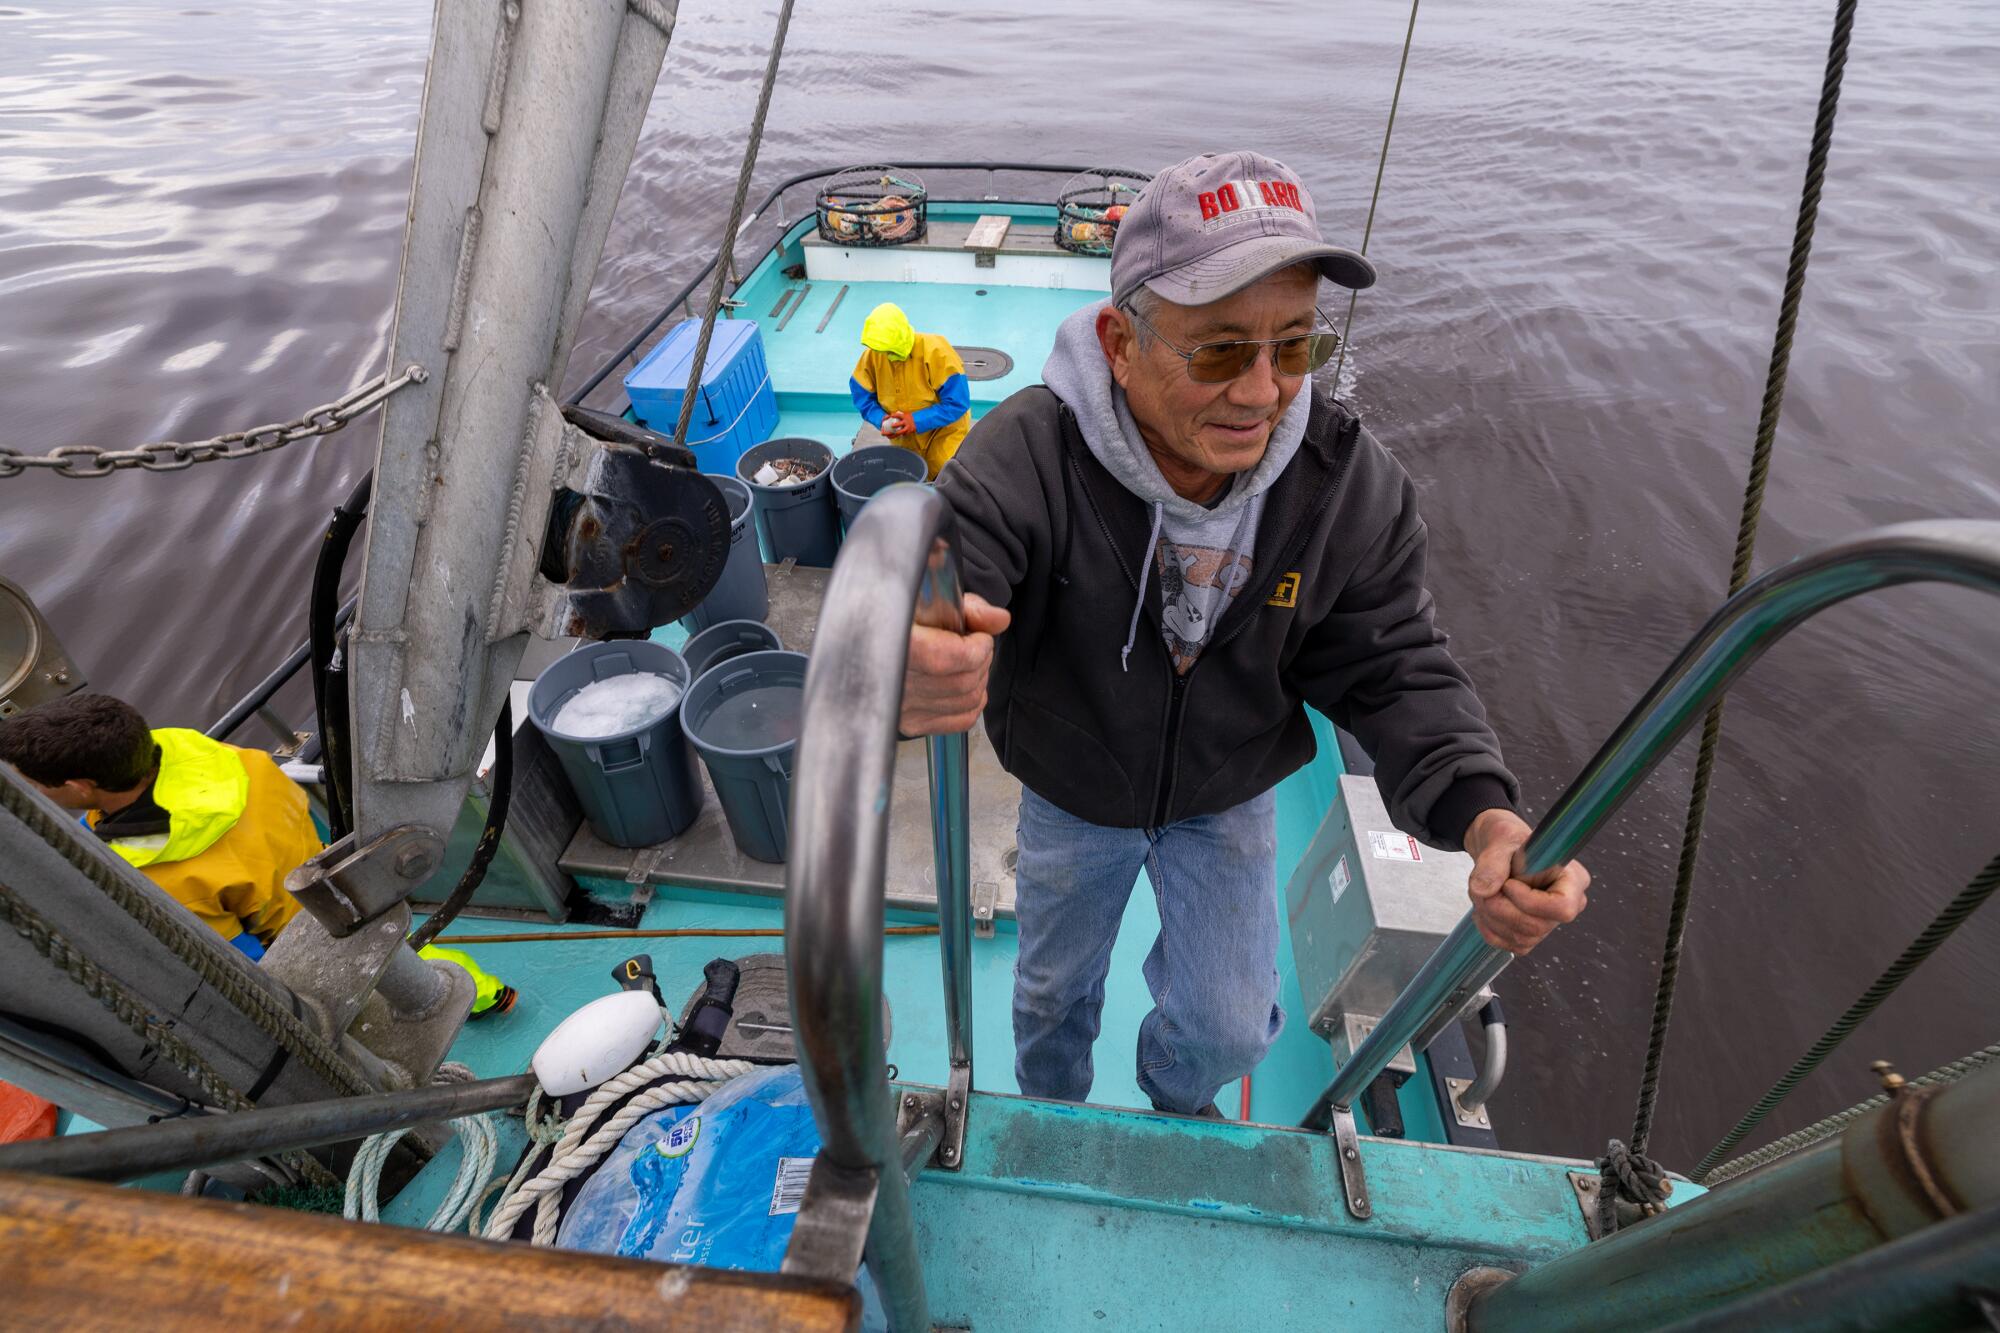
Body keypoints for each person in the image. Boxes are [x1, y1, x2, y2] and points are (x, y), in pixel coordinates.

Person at [902, 150, 1591, 1116]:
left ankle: (1176, 1113)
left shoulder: (1347, 485)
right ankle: (1047, 1111)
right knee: (1053, 992)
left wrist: (1487, 814)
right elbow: (943, 566)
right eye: (1220, 350)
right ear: (1119, 341)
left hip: (1228, 791)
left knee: (1229, 1026)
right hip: (1074, 787)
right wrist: (909, 656)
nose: (1263, 392)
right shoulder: (1030, 449)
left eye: (1295, 346)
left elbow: (1396, 666)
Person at [0, 692, 515, 1017]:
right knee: (405, 951)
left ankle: (480, 996)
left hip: (303, 940)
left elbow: (236, 961)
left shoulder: (164, 873)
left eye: (33, 784)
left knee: (393, 980)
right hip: (329, 874)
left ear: (81, 785)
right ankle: (492, 992)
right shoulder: (204, 755)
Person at [848, 302, 972, 479]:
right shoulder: (873, 355)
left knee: (943, 472)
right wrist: (880, 419)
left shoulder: (937, 351)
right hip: (904, 436)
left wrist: (916, 420)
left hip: (945, 431)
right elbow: (862, 397)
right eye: (882, 350)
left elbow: (958, 403)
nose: (886, 356)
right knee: (910, 474)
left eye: (890, 350)